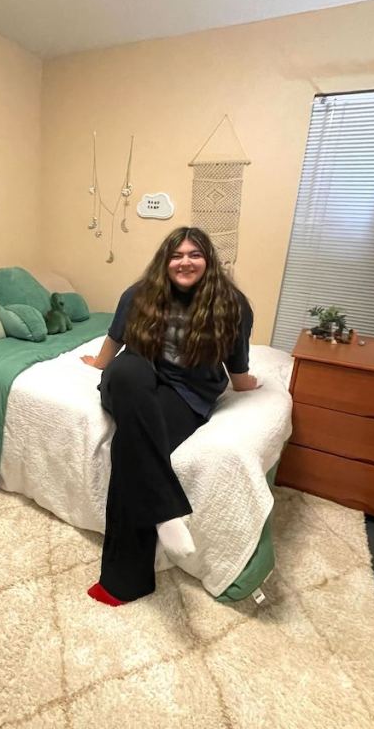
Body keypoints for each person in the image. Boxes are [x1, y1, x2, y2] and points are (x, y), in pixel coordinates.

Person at [81, 226, 257, 606]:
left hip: (187, 393)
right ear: (165, 261)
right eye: (177, 255)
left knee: (131, 443)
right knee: (127, 373)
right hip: (135, 374)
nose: (185, 262)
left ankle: (123, 582)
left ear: (208, 262)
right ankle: (166, 511)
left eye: (195, 254)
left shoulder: (233, 305)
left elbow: (237, 366)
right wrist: (97, 364)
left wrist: (249, 384)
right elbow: (115, 340)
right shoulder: (140, 294)